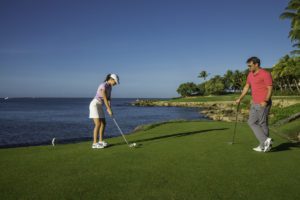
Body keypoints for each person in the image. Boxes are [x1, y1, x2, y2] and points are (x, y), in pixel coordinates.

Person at [236, 57, 273, 152]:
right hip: (254, 102)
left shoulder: (265, 74)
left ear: (256, 64)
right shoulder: (250, 74)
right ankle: (265, 141)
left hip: (263, 103)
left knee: (262, 123)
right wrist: (240, 98)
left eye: (250, 65)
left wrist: (266, 100)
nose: (249, 67)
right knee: (251, 122)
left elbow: (269, 88)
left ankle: (263, 145)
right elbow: (246, 86)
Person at [89, 73, 119, 149]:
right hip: (94, 104)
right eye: (115, 82)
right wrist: (108, 108)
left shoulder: (110, 87)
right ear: (111, 79)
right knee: (98, 124)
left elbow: (108, 99)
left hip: (100, 105)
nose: (115, 84)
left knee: (103, 123)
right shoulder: (103, 85)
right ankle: (94, 143)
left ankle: (100, 141)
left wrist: (109, 108)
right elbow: (104, 97)